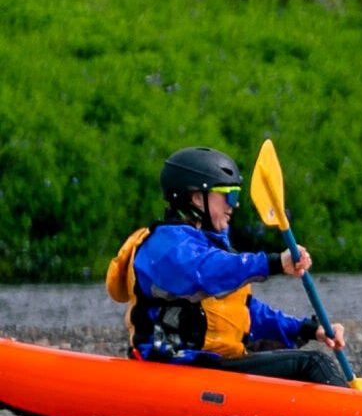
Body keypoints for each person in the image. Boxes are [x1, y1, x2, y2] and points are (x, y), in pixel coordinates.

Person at [106, 146, 349, 386]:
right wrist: (273, 263)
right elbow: (204, 272)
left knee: (306, 363)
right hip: (174, 369)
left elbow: (244, 314)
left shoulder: (209, 247)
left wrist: (308, 329)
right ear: (196, 197)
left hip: (208, 367)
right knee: (314, 364)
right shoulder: (164, 247)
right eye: (228, 195)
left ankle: (346, 413)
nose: (234, 205)